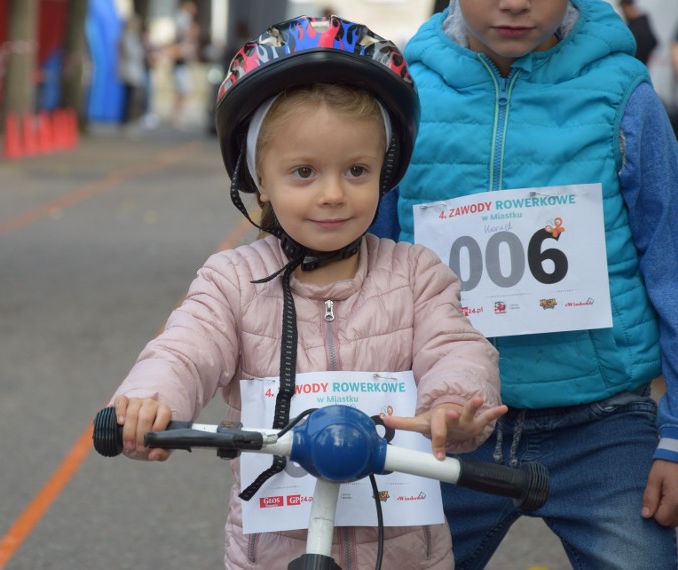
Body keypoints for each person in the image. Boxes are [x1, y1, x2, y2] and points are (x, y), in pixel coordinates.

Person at [108, 15, 507, 570]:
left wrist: (454, 404)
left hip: (403, 554)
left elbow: (457, 346)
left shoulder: (417, 274)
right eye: (303, 172)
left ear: (386, 172)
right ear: (258, 178)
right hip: (274, 552)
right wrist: (154, 398)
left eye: (357, 170)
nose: (333, 194)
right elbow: (186, 346)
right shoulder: (231, 281)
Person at [370, 0, 678, 568]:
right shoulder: (403, 100)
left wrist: (676, 437)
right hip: (445, 420)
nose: (515, 3)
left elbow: (671, 267)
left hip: (603, 423)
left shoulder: (624, 99)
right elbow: (367, 270)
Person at [619, 0, 658, 66]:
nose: (623, 12)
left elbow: (652, 41)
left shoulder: (640, 23)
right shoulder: (635, 24)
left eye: (623, 8)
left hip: (639, 63)